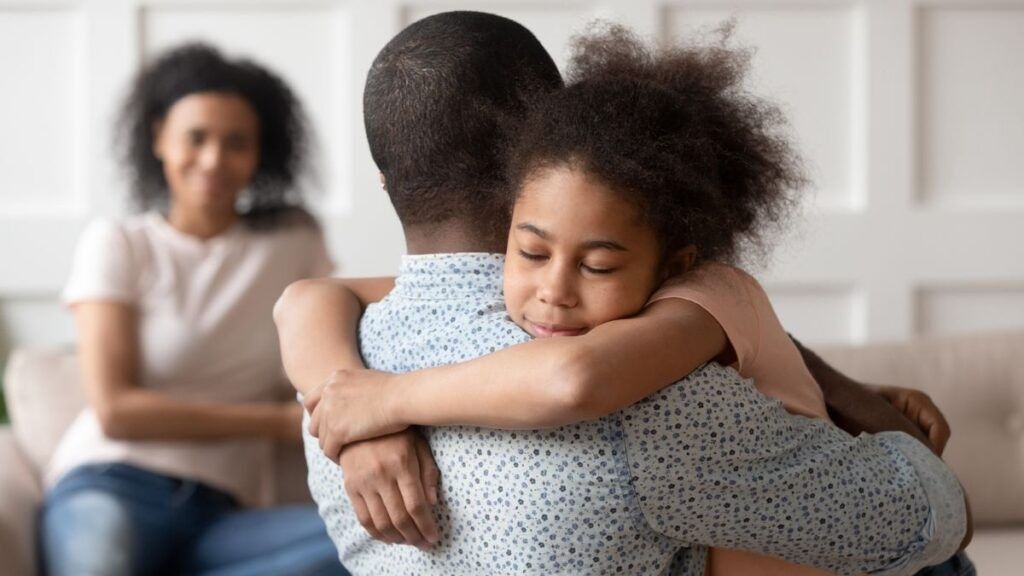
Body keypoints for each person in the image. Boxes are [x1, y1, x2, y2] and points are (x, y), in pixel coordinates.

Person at [276, 12, 968, 576]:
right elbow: (931, 516)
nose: (557, 291)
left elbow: (309, 295)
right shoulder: (646, 396)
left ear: (384, 178)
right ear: (531, 154)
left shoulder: (337, 395)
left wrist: (373, 401)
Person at [40, 44, 349, 576]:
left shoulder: (294, 240)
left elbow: (330, 352)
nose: (213, 160)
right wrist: (276, 422)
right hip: (112, 485)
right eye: (196, 137)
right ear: (159, 137)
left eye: (236, 143)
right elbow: (116, 410)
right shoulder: (119, 243)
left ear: (261, 154)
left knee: (361, 548)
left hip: (224, 515)